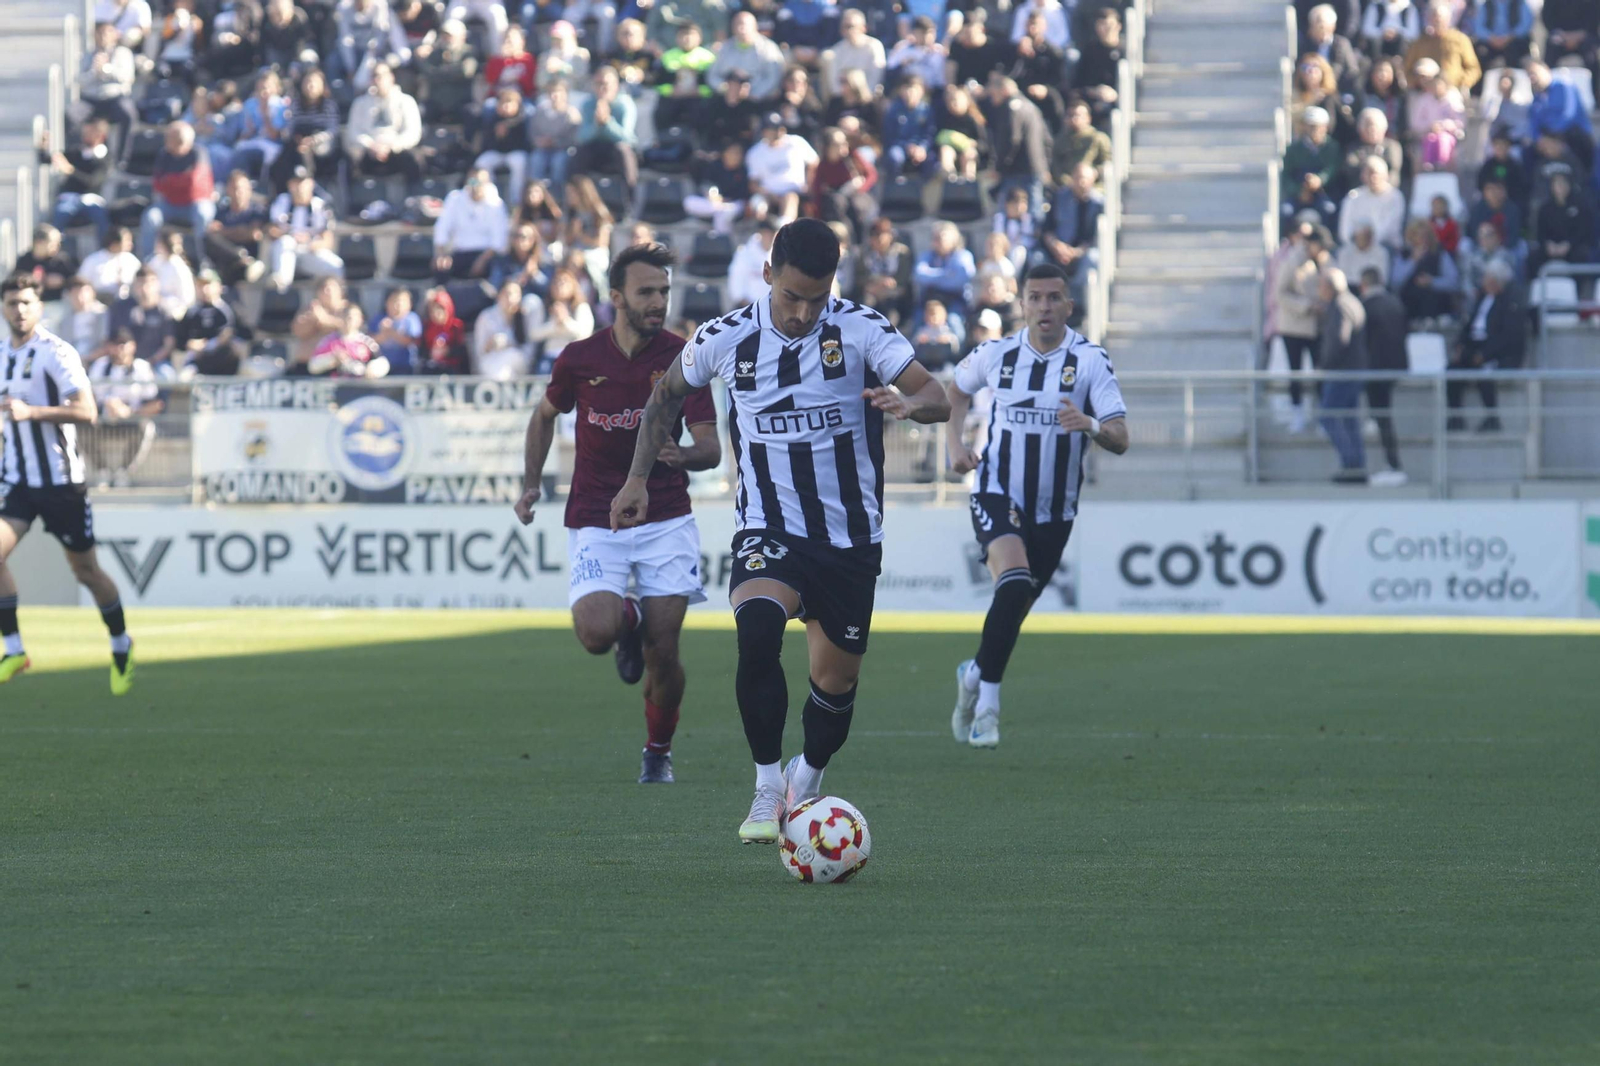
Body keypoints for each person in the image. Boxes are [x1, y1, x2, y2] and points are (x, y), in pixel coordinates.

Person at [608, 218, 952, 841]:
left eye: (816, 299)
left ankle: (807, 775)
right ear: (767, 274)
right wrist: (636, 479)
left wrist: (911, 405)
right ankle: (767, 784)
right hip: (767, 525)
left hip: (849, 538)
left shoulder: (861, 329)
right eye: (791, 296)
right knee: (758, 631)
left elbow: (936, 396)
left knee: (835, 686)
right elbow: (665, 395)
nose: (802, 313)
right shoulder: (726, 337)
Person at [515, 244, 721, 784]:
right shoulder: (579, 359)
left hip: (666, 517)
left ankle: (658, 750)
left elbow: (710, 448)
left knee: (665, 651)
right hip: (596, 515)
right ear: (616, 298)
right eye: (646, 291)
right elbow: (543, 415)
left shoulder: (685, 358)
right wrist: (532, 483)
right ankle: (628, 621)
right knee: (595, 634)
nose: (658, 302)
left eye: (664, 291)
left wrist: (682, 455)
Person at [944, 262, 1127, 747]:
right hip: (996, 490)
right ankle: (987, 711)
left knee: (1014, 609)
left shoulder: (1090, 360)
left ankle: (972, 675)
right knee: (1013, 583)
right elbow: (955, 392)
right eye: (1035, 297)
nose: (1044, 306)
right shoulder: (997, 354)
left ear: (1069, 305)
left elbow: (1120, 436)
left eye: (1054, 297)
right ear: (1022, 304)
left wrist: (1089, 424)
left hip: (1055, 511)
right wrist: (955, 446)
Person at [0, 274, 137, 694]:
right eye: (12, 303)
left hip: (61, 483)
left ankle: (121, 643)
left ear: (40, 307)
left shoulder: (57, 353)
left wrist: (33, 412)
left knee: (86, 572)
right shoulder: (2, 354)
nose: (19, 310)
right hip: (16, 479)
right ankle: (14, 649)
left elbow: (87, 411)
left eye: (26, 302)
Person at [1449, 260, 1523, 432]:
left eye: (1486, 276)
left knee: (1484, 371)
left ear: (1495, 280)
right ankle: (1455, 417)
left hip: (1492, 351)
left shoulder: (1508, 303)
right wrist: (1459, 345)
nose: (1483, 280)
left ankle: (1492, 418)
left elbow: (1506, 336)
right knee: (1452, 369)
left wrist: (1484, 354)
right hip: (1473, 345)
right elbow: (1468, 326)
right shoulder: (1481, 299)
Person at [85, 327, 163, 485]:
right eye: (115, 344)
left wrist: (129, 412)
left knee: (146, 427)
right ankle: (102, 471)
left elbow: (155, 404)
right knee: (81, 425)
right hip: (104, 419)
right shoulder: (100, 365)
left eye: (123, 343)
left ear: (132, 346)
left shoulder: (142, 367)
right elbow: (88, 398)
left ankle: (123, 472)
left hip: (131, 420)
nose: (119, 348)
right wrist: (107, 406)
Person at [1316, 268, 1369, 483]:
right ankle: (1357, 467)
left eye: (1321, 285)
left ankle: (1351, 464)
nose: (1319, 289)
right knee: (1349, 420)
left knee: (1327, 416)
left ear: (1330, 287)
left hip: (1342, 371)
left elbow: (1339, 340)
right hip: (1353, 370)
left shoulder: (1340, 305)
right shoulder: (1352, 301)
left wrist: (1324, 365)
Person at [1359, 267, 1408, 486]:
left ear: (1364, 284)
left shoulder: (1366, 307)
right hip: (1395, 367)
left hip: (1375, 370)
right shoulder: (1395, 304)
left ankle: (1393, 465)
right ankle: (1392, 464)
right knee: (1383, 415)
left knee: (1383, 417)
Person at [139, 122, 216, 258]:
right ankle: (148, 260)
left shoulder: (198, 153)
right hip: (170, 204)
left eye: (177, 140)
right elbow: (158, 185)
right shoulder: (164, 154)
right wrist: (180, 180)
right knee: (150, 217)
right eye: (169, 138)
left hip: (195, 203)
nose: (171, 143)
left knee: (202, 215)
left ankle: (203, 260)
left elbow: (194, 183)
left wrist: (170, 180)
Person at [344, 62, 425, 184]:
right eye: (374, 76)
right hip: (369, 151)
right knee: (351, 159)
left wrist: (392, 146)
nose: (378, 80)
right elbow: (353, 131)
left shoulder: (406, 101)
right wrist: (371, 145)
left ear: (391, 77)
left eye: (382, 75)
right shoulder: (360, 103)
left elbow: (413, 133)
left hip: (396, 151)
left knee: (414, 159)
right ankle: (355, 195)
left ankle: (414, 193)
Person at [44, 120, 115, 244]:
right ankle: (53, 249)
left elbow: (93, 181)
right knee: (61, 213)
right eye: (85, 133)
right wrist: (44, 146)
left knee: (102, 217)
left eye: (90, 133)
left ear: (101, 136)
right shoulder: (76, 152)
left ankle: (104, 250)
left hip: (91, 199)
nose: (85, 136)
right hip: (69, 197)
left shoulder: (106, 158)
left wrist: (71, 170)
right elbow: (47, 159)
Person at [434, 169, 511, 281]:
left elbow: (498, 240)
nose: (475, 186)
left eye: (480, 182)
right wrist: (441, 254)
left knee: (497, 267)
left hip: (486, 254)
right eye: (472, 182)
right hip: (460, 252)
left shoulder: (496, 204)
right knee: (440, 266)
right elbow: (442, 228)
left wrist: (482, 260)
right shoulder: (455, 199)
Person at [472, 279, 544, 378]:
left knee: (511, 357)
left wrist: (509, 345)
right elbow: (479, 352)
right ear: (499, 295)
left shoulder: (525, 315)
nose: (511, 299)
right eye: (507, 294)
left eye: (515, 294)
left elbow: (528, 351)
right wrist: (490, 344)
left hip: (518, 363)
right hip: (491, 364)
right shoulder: (486, 316)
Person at [178, 269, 240, 375]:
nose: (204, 289)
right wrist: (190, 344)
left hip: (219, 361)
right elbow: (180, 339)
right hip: (195, 360)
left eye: (208, 284)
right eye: (200, 285)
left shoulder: (225, 311)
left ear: (218, 286)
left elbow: (227, 335)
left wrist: (206, 347)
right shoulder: (191, 312)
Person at [77, 227, 142, 302]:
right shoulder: (93, 260)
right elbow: (81, 282)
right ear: (114, 243)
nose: (130, 244)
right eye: (127, 241)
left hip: (127, 301)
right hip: (100, 300)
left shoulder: (131, 260)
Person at [373, 288, 422, 374]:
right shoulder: (379, 318)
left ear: (410, 304)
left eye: (403, 301)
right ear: (386, 303)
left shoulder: (412, 319)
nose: (399, 305)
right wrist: (383, 333)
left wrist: (392, 332)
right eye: (395, 301)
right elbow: (371, 341)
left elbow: (411, 341)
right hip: (383, 365)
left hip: (406, 366)